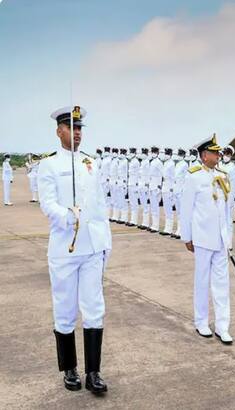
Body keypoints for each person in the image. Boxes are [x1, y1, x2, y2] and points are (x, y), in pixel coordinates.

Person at [38, 106, 111, 393]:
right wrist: (67, 216)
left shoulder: (90, 163)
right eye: (71, 127)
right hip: (65, 248)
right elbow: (47, 203)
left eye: (79, 128)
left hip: (92, 247)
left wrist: (106, 242)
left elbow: (100, 206)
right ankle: (69, 368)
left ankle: (94, 372)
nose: (77, 132)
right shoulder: (49, 164)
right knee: (65, 309)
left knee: (94, 308)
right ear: (59, 131)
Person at [180, 135, 233, 344]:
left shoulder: (223, 176)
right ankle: (201, 322)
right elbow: (186, 209)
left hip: (220, 239)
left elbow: (226, 210)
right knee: (202, 282)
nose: (218, 155)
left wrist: (228, 236)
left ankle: (222, 326)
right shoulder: (194, 176)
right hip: (202, 237)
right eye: (214, 152)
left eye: (218, 152)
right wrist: (187, 236)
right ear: (204, 155)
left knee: (222, 284)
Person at [218, 145, 235, 248]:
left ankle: (228, 243)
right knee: (220, 219)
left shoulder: (232, 167)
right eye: (225, 154)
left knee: (228, 220)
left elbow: (234, 184)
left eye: (228, 154)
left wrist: (233, 197)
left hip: (228, 195)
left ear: (231, 156)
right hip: (219, 195)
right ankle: (221, 241)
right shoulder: (219, 165)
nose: (226, 156)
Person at [172, 148, 188, 239]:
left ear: (184, 155)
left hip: (181, 190)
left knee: (182, 212)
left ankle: (182, 230)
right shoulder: (177, 164)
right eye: (179, 154)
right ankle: (178, 229)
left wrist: (183, 190)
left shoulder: (185, 164)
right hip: (176, 189)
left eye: (181, 154)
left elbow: (186, 179)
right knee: (178, 211)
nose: (179, 156)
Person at [160, 148, 176, 235]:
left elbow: (173, 177)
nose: (166, 155)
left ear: (170, 154)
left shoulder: (172, 164)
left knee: (169, 209)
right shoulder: (165, 163)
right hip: (165, 187)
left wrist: (172, 189)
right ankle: (167, 227)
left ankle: (169, 229)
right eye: (165, 153)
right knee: (166, 209)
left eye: (167, 153)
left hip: (169, 187)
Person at [148, 146, 163, 233]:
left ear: (157, 153)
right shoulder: (152, 161)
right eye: (152, 152)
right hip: (151, 185)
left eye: (154, 152)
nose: (153, 153)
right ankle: (153, 225)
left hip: (156, 186)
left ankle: (156, 226)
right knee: (153, 207)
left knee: (156, 207)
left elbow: (161, 175)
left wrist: (159, 186)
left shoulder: (159, 162)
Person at [126, 148, 140, 226]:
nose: (131, 153)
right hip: (130, 183)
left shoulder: (136, 162)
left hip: (134, 184)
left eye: (132, 152)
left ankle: (134, 221)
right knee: (131, 203)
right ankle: (132, 220)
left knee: (134, 203)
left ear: (135, 153)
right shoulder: (131, 161)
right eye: (130, 151)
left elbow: (138, 174)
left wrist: (137, 184)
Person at [138, 148, 151, 229]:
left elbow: (149, 174)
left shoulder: (147, 162)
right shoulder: (143, 162)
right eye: (142, 152)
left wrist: (147, 185)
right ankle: (143, 222)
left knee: (146, 205)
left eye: (144, 152)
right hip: (141, 185)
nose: (143, 154)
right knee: (143, 205)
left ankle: (146, 223)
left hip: (145, 186)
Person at [116, 148, 129, 224]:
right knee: (120, 201)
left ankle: (125, 218)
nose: (121, 153)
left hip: (123, 183)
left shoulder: (125, 161)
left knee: (124, 202)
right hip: (119, 183)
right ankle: (121, 217)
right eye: (121, 152)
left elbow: (127, 173)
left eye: (123, 152)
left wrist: (125, 184)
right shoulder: (120, 161)